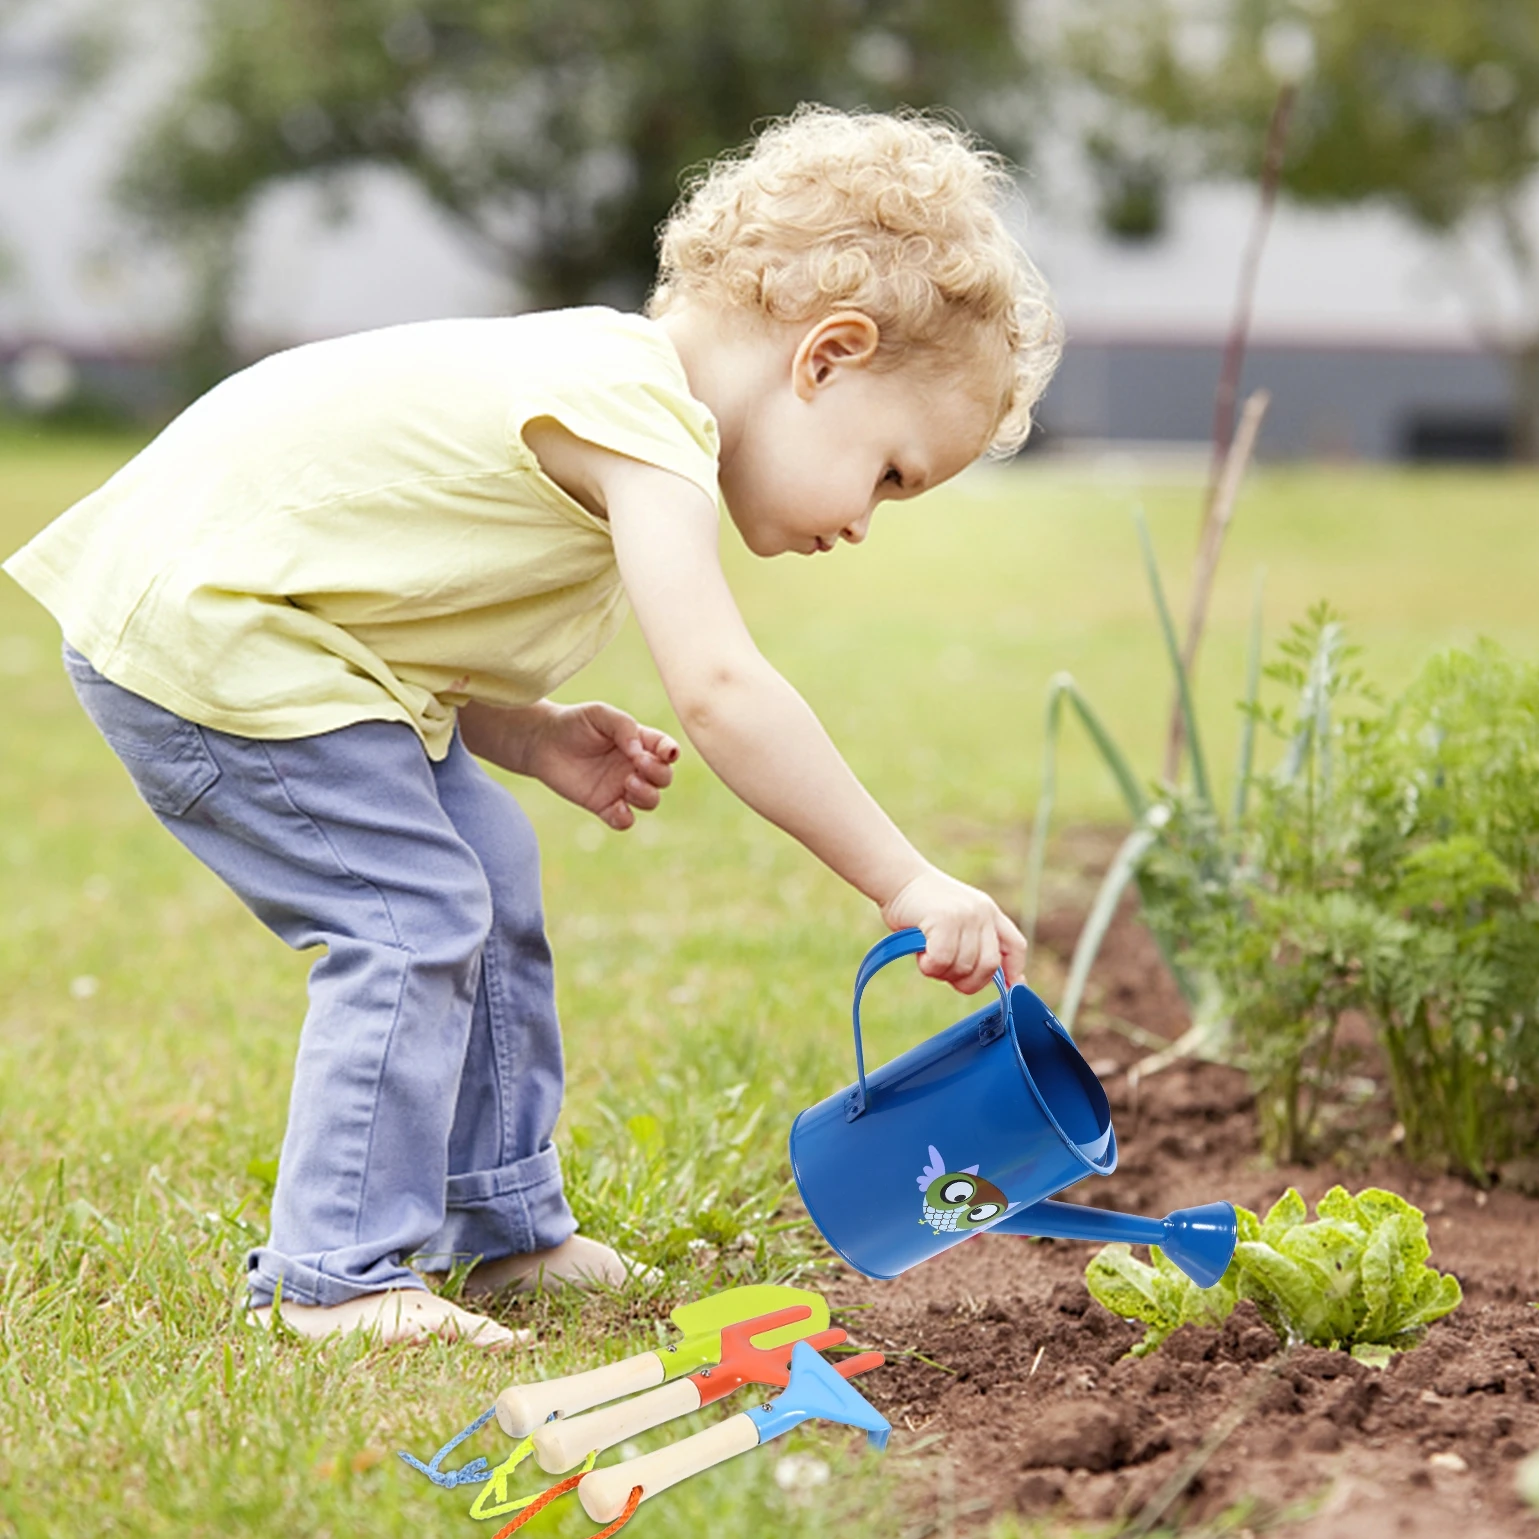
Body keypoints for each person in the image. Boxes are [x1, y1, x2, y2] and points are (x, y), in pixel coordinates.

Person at [2, 105, 1062, 1348]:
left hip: (285, 634)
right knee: (408, 916)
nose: (866, 521)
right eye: (890, 473)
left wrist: (532, 732)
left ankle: (497, 1222)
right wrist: (904, 878)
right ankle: (331, 1277)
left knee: (488, 866)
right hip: (209, 638)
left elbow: (385, 577)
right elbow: (721, 688)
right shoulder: (640, 418)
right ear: (825, 357)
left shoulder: (612, 394)